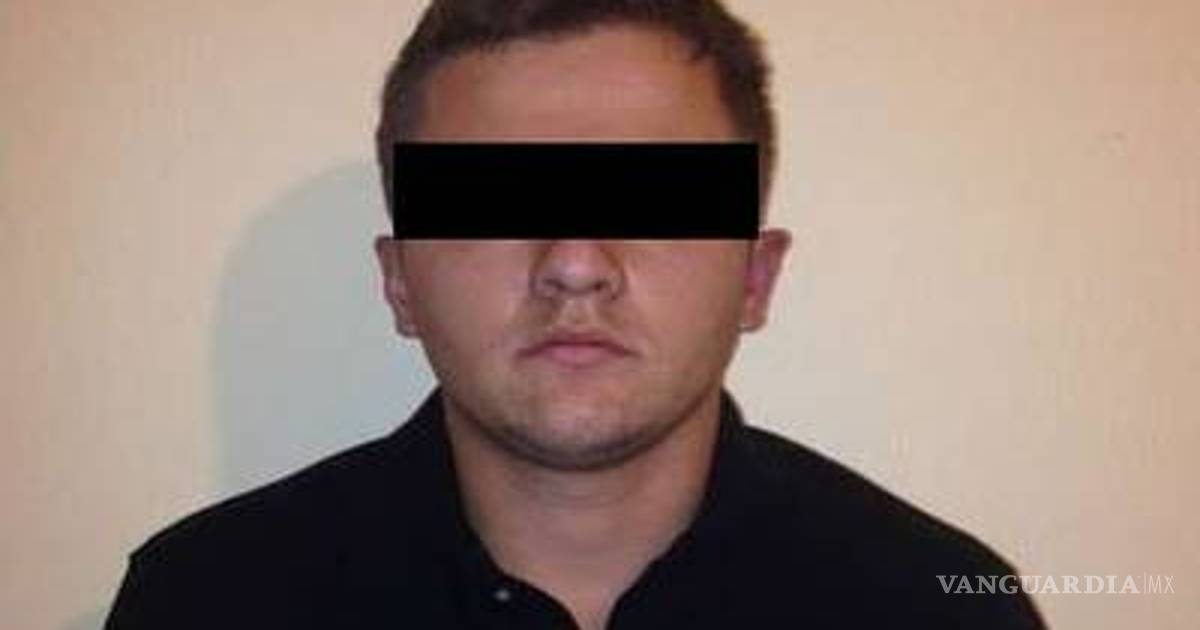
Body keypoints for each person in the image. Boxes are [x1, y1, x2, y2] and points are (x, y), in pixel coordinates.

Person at [105, 0, 1045, 628]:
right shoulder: (207, 603)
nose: (576, 264)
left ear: (755, 279)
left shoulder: (938, 610)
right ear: (400, 284)